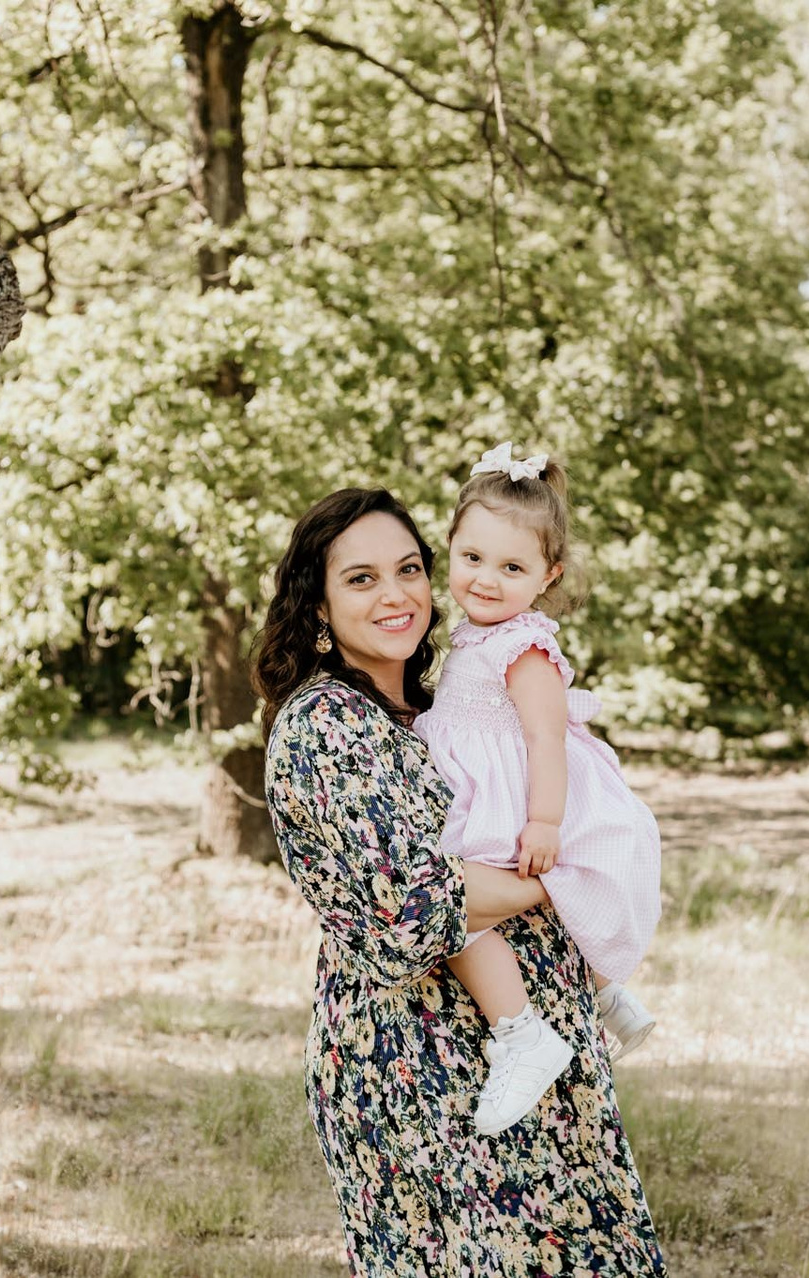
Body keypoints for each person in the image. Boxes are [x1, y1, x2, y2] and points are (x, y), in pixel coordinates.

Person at [253, 487, 666, 1277]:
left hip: (534, 1050)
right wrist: (574, 871)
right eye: (361, 578)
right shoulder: (325, 725)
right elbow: (418, 902)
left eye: (408, 569)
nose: (395, 594)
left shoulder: (439, 709)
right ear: (319, 605)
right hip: (426, 1069)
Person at [414, 444, 663, 1135]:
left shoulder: (523, 646)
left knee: (454, 909)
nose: (486, 580)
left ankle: (521, 1033)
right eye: (472, 558)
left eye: (512, 568)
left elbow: (546, 737)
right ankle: (609, 995)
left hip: (522, 794)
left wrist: (545, 821)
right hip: (489, 783)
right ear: (450, 547)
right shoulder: (470, 633)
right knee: (490, 906)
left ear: (549, 575)